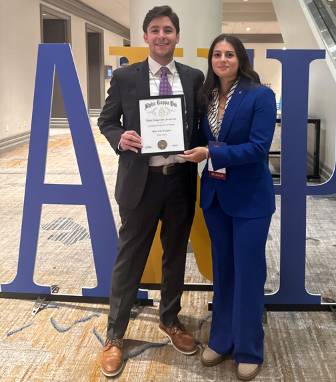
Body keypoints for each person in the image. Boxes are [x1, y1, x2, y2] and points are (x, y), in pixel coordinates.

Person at [97, 5, 204, 378]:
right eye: (155, 30)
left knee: (175, 253)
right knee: (130, 259)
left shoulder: (193, 77)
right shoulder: (126, 76)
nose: (162, 36)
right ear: (145, 36)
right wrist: (118, 137)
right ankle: (114, 335)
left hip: (179, 181)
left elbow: (200, 127)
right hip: (140, 182)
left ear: (177, 36)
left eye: (168, 30)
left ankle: (170, 320)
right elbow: (107, 120)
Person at [180, 34, 276, 381]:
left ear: (241, 59)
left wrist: (212, 154)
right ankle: (222, 340)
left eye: (230, 54)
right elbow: (199, 138)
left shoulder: (260, 95)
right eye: (217, 54)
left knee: (249, 273)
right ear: (211, 60)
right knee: (223, 271)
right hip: (216, 197)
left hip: (250, 199)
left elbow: (258, 148)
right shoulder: (207, 96)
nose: (223, 59)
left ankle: (249, 348)